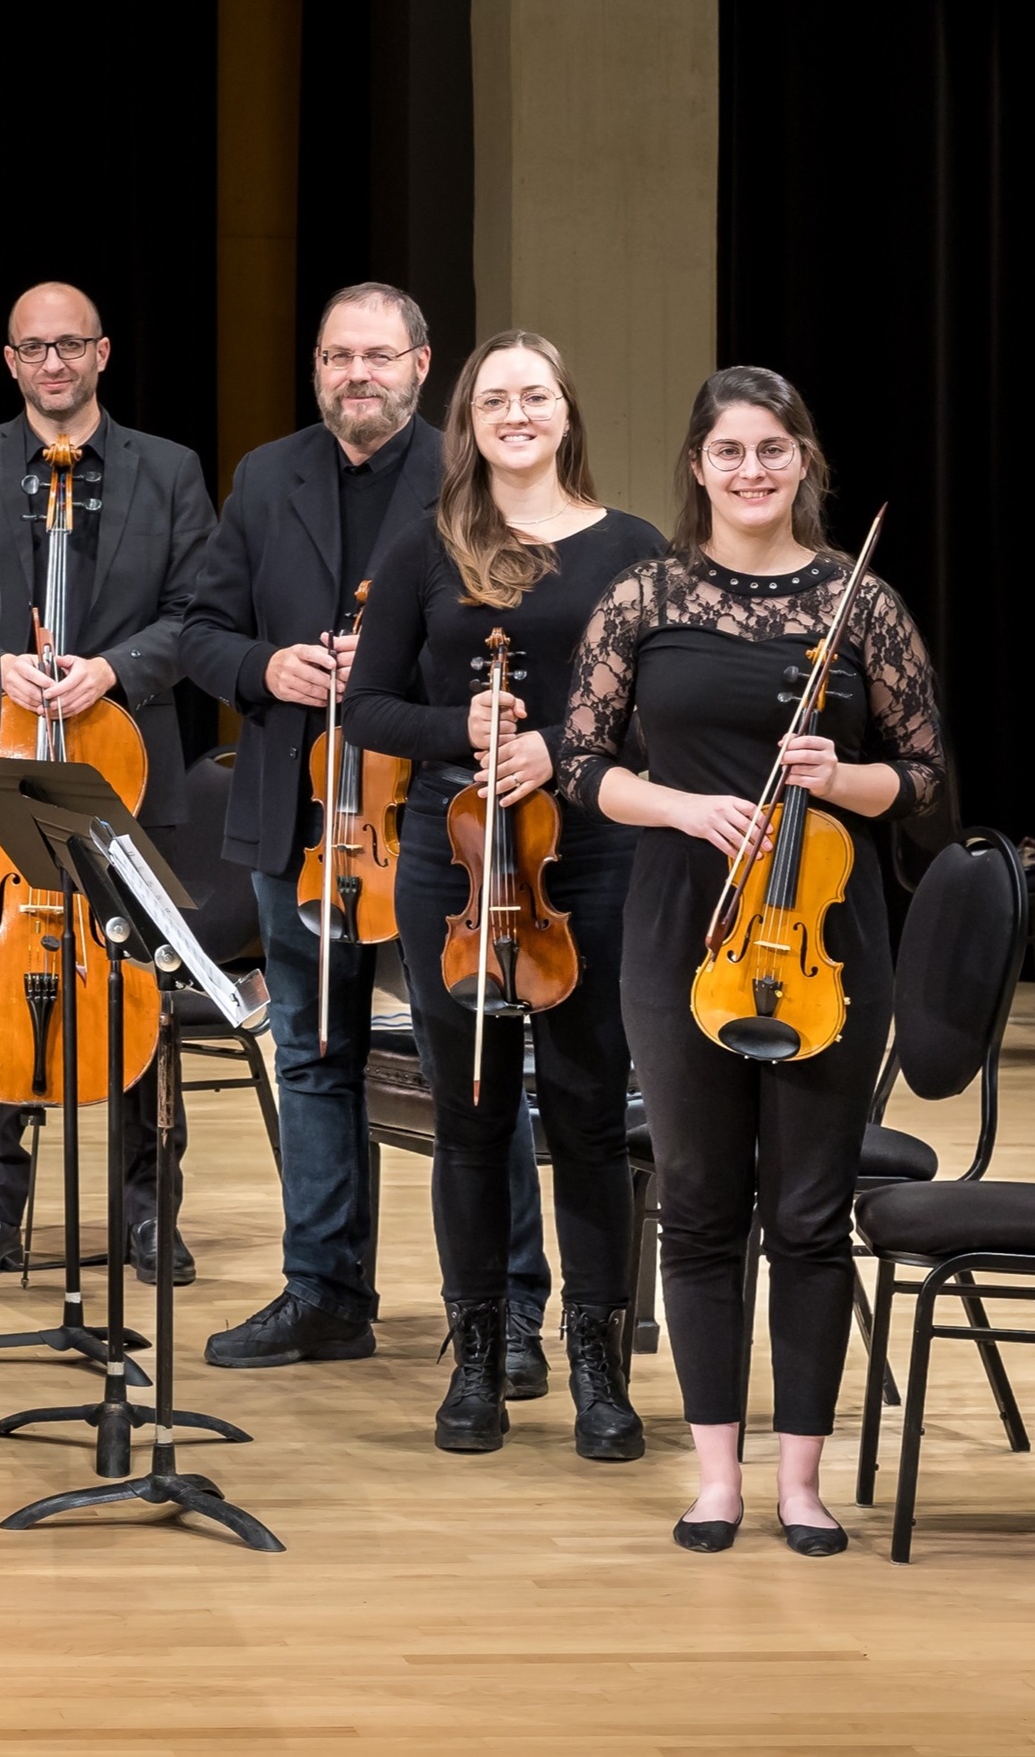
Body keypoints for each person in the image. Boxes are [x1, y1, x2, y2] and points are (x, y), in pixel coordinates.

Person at [558, 365, 941, 1557]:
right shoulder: (645, 594)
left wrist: (846, 778)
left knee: (814, 1214)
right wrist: (679, 805)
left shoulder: (858, 602)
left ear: (804, 460)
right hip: (681, 926)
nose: (753, 470)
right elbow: (580, 763)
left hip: (825, 939)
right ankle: (716, 1474)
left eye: (774, 449)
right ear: (697, 465)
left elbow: (925, 781)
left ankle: (804, 1483)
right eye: (730, 451)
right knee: (702, 1205)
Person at [177, 282, 549, 1378]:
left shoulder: (466, 474)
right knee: (312, 1053)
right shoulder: (265, 475)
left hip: (433, 820)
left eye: (377, 356)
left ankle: (508, 1305)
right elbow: (203, 629)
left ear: (422, 364)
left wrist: (385, 672)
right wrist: (268, 665)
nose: (356, 375)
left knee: (469, 1060)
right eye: (338, 356)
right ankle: (325, 1292)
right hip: (300, 815)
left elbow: (509, 632)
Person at [344, 330, 662, 1461]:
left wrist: (564, 753)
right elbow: (365, 706)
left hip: (592, 859)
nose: (515, 414)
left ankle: (596, 1362)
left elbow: (659, 711)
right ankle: (477, 1353)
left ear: (567, 411)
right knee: (471, 1121)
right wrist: (459, 728)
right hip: (457, 858)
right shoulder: (432, 543)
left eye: (534, 395)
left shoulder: (633, 549)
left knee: (584, 1112)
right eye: (493, 400)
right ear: (468, 421)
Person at [0, 280, 216, 1285]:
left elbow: (198, 612)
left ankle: (146, 1209)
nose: (53, 362)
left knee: (141, 979)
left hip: (129, 766)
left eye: (71, 345)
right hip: (0, 755)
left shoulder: (169, 471)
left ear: (103, 353)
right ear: (10, 360)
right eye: (34, 347)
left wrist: (115, 668)